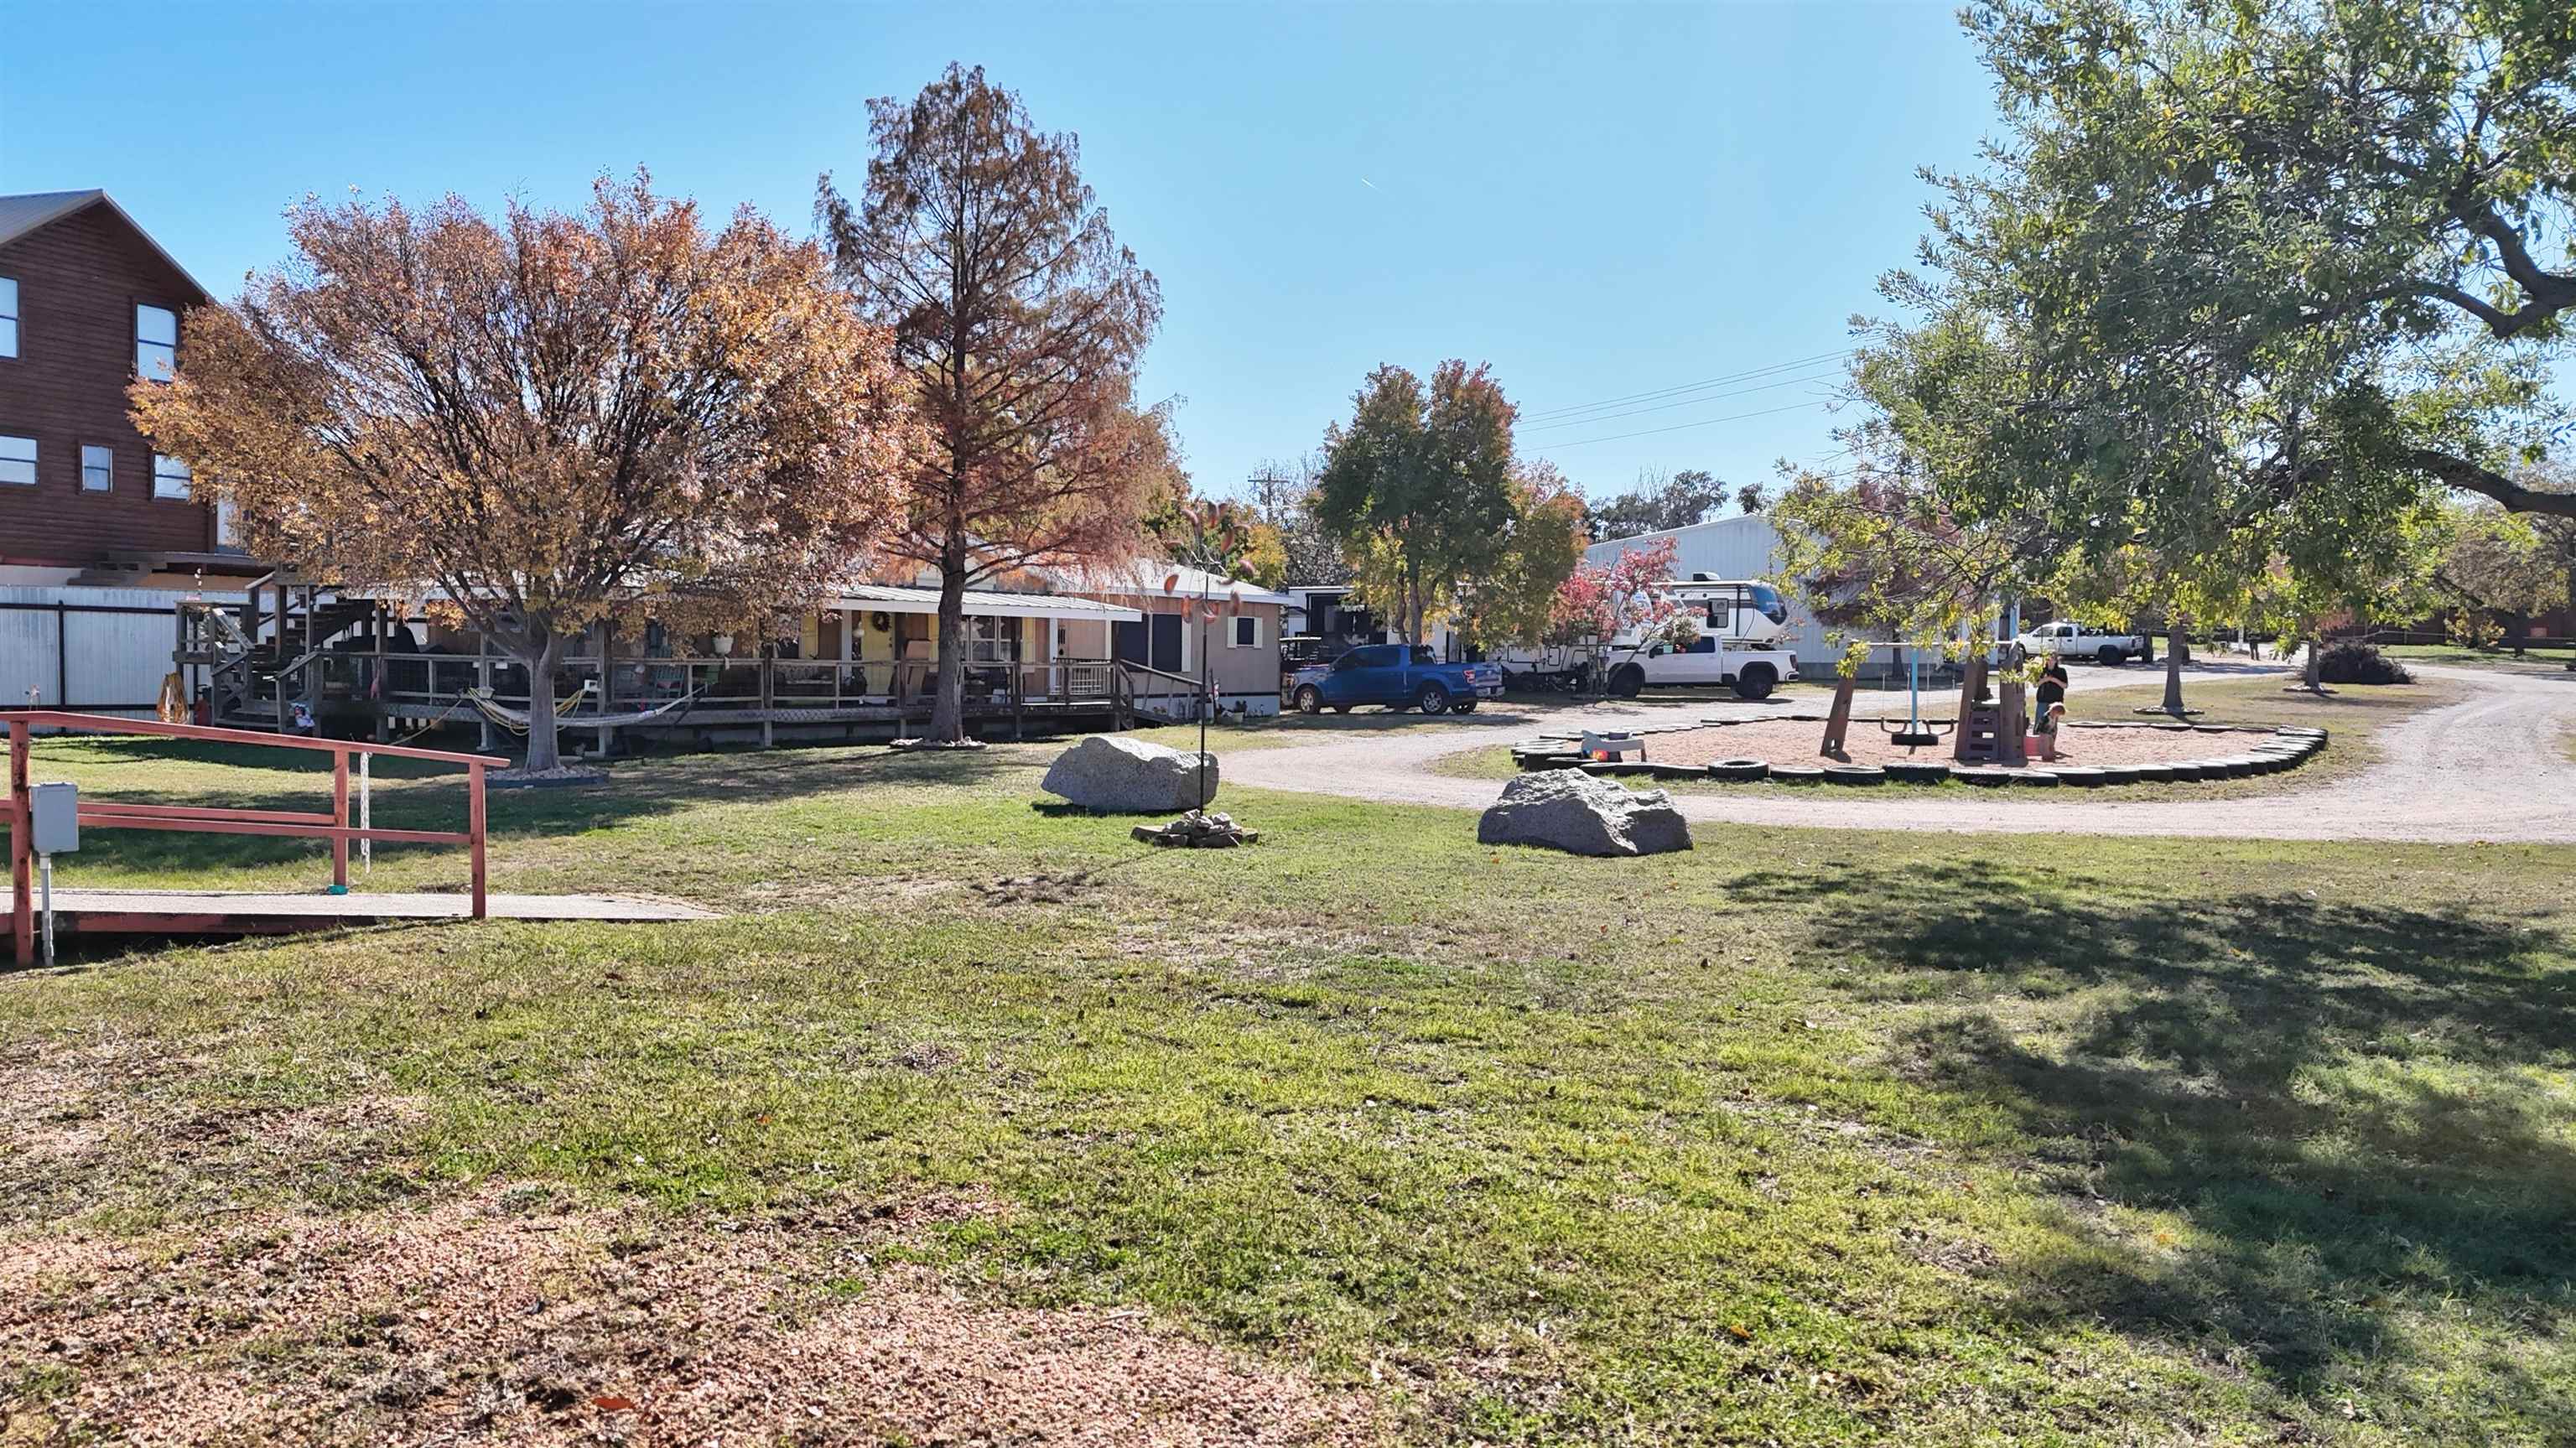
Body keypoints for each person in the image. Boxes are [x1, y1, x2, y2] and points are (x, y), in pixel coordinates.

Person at [2032, 662, 2068, 761]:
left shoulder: (2061, 671)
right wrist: (2045, 680)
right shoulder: (2041, 670)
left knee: (2053, 725)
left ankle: (2050, 746)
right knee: (2040, 721)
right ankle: (2036, 745)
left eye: (2052, 658)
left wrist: (2054, 680)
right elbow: (2035, 684)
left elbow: (2065, 685)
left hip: (2056, 700)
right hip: (2042, 699)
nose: (2050, 661)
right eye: (2048, 659)